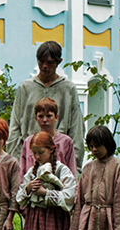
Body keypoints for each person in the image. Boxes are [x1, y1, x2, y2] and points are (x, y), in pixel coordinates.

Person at [8, 41, 84, 169]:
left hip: (59, 157)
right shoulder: (26, 87)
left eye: (49, 62)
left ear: (59, 62)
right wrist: (14, 160)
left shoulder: (68, 89)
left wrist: (74, 164)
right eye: (41, 62)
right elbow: (15, 126)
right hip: (30, 156)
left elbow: (76, 129)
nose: (44, 66)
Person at [20, 97, 77, 177]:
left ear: (56, 117)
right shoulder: (28, 141)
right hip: (34, 186)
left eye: (49, 116)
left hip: (60, 187)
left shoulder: (65, 141)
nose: (44, 120)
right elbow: (23, 171)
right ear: (36, 118)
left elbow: (72, 170)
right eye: (41, 116)